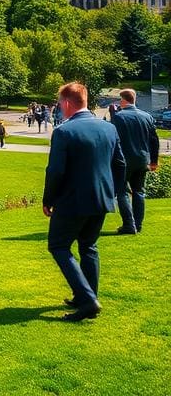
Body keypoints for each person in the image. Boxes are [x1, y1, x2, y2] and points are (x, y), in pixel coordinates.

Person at [43, 82, 126, 321]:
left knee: (58, 246)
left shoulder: (64, 131)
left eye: (60, 103)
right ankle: (88, 296)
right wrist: (112, 192)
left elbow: (56, 171)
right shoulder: (108, 128)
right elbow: (119, 164)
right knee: (89, 246)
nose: (59, 108)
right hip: (101, 198)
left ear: (67, 103)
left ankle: (88, 299)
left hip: (72, 200)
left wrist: (48, 199)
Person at [109, 88, 159, 234]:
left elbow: (113, 138)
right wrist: (154, 160)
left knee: (122, 192)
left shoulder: (119, 117)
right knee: (139, 192)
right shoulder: (147, 116)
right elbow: (154, 140)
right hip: (143, 159)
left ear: (123, 100)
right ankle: (138, 224)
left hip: (124, 159)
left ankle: (129, 224)